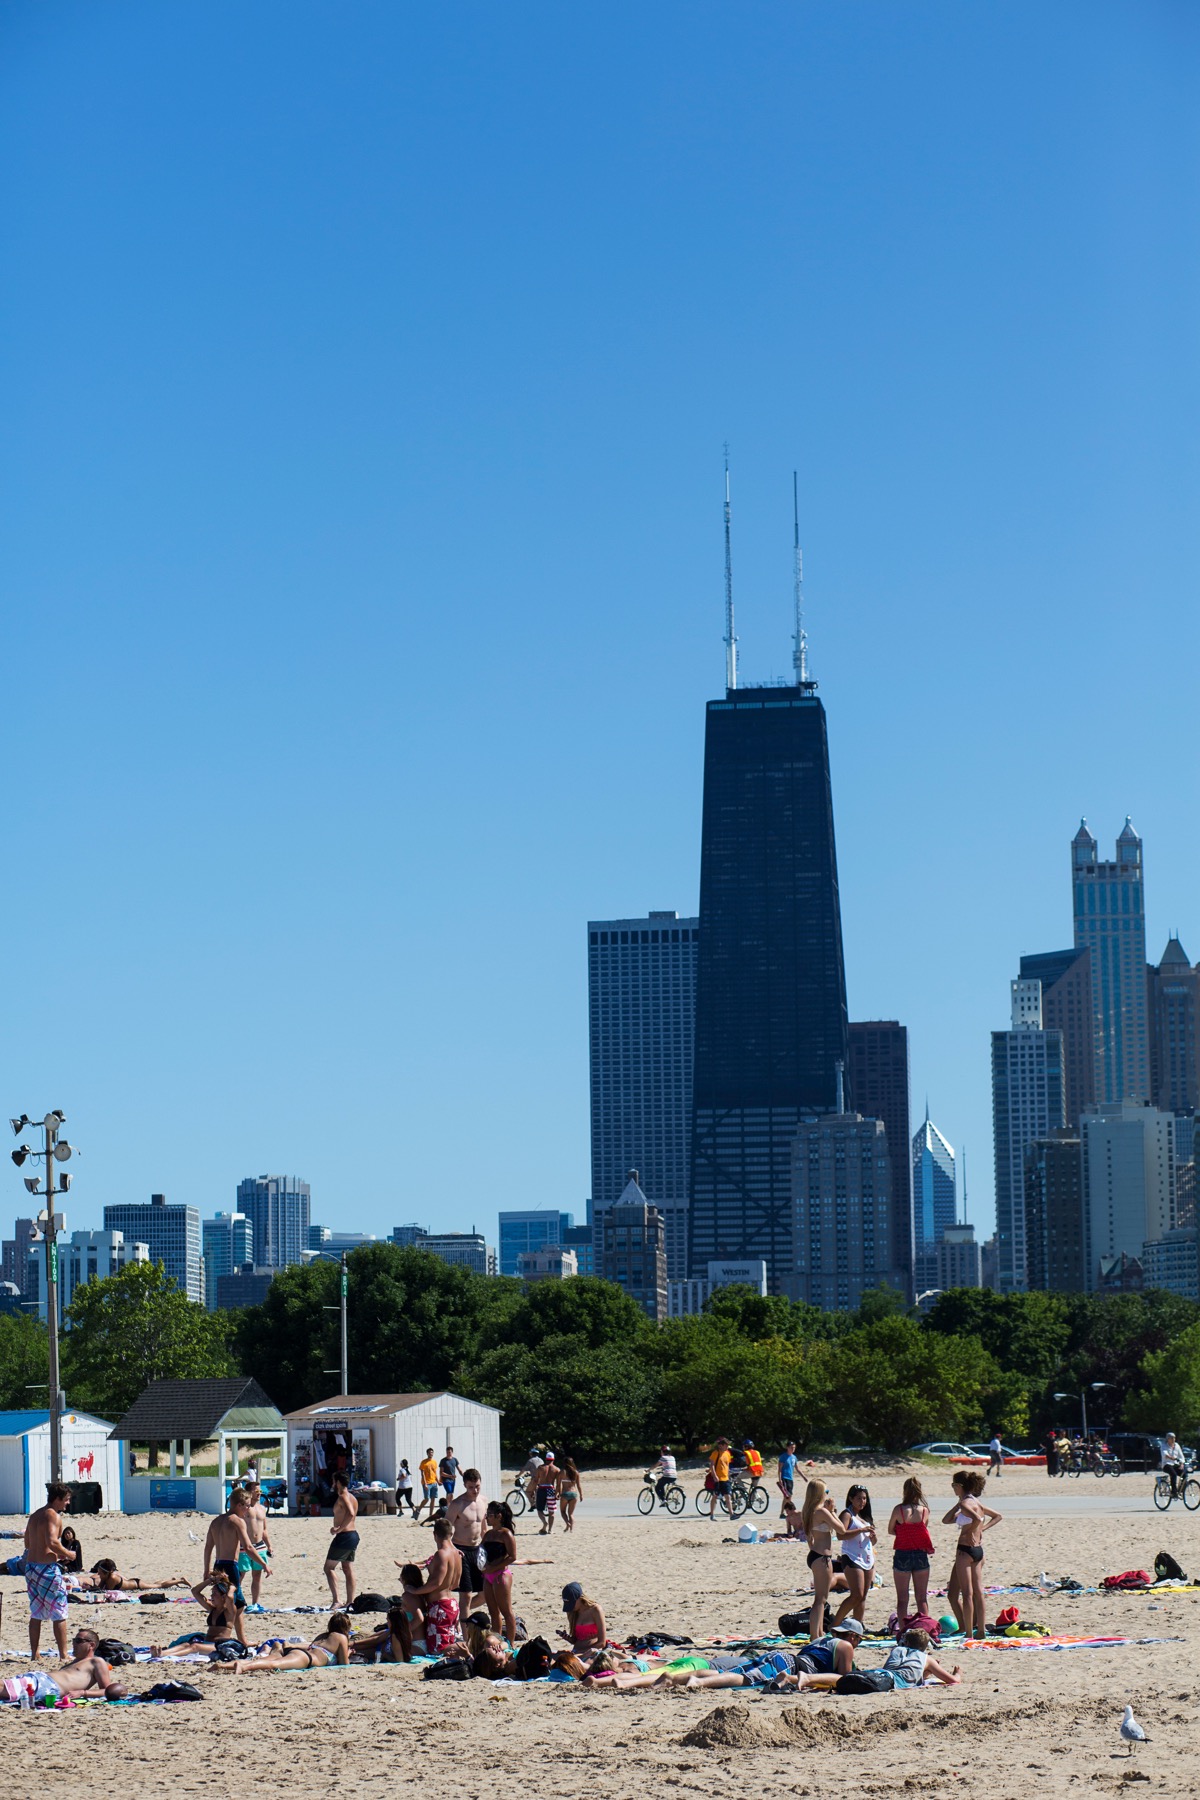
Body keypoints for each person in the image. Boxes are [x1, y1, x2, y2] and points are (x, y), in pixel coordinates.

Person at [943, 1469, 1002, 1638]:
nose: (952, 1488)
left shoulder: (965, 1505)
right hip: (978, 1550)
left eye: (954, 1485)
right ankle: (980, 1630)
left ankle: (969, 1632)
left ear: (960, 1486)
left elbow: (977, 1518)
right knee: (978, 1592)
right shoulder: (974, 1502)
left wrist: (970, 1531)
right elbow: (997, 1516)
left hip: (965, 1550)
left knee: (968, 1594)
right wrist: (980, 1529)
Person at [3, 1627, 130, 1702]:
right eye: (74, 1640)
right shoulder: (73, 1663)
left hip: (44, 1685)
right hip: (38, 1680)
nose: (74, 1643)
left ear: (91, 1645)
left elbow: (107, 1691)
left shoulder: (96, 1662)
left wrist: (83, 1693)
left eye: (79, 1641)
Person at [23, 1481, 77, 1659]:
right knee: (59, 1610)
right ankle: (63, 1654)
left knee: (36, 1611)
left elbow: (28, 1544)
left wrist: (55, 1553)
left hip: (31, 1568)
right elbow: (52, 1542)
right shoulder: (53, 1515)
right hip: (46, 1570)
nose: (67, 1503)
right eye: (66, 1499)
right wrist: (68, 1554)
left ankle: (34, 1653)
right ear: (57, 1499)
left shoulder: (35, 1515)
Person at [153, 1572, 250, 1660]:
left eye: (214, 1594)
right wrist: (211, 1580)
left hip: (218, 1645)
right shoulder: (212, 1609)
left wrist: (232, 1588)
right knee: (186, 1644)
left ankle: (163, 1656)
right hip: (206, 1642)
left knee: (195, 1646)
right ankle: (162, 1653)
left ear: (223, 1597)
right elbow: (195, 1591)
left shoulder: (229, 1611)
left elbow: (230, 1597)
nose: (211, 1596)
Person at [203, 1488, 269, 1610]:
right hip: (230, 1565)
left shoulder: (216, 1521)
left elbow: (208, 1548)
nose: (249, 1509)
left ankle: (224, 1628)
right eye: (248, 1506)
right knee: (237, 1605)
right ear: (240, 1505)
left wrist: (206, 1570)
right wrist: (263, 1564)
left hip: (218, 1565)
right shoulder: (237, 1521)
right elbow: (248, 1547)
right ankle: (238, 1630)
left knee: (222, 1602)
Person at [800, 1477, 848, 1640]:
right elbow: (841, 1529)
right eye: (826, 1492)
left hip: (815, 1554)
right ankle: (815, 1635)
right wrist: (833, 1510)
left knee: (821, 1599)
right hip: (822, 1557)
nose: (828, 1495)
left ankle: (819, 1632)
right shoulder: (821, 1511)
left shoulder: (809, 1510)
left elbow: (809, 1538)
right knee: (820, 1599)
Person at [224, 1613, 354, 1673]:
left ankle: (223, 1666)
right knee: (273, 1664)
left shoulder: (323, 1636)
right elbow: (344, 1664)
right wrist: (347, 1652)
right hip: (306, 1658)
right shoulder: (341, 1638)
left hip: (300, 1653)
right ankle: (244, 1667)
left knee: (269, 1660)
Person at [888, 1476, 935, 1622]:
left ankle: (903, 1630)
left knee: (902, 1599)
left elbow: (890, 1530)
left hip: (902, 1554)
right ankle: (925, 1628)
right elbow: (922, 1530)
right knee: (921, 1598)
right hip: (920, 1554)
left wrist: (902, 1532)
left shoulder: (899, 1510)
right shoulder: (924, 1511)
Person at [414, 1518, 463, 1655]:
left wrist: (416, 1591)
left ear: (435, 1534)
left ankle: (469, 1650)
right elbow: (455, 1584)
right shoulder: (457, 1554)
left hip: (440, 1606)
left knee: (439, 1649)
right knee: (448, 1645)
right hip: (451, 1604)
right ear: (451, 1534)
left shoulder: (442, 1553)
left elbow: (436, 1582)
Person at [831, 1484, 876, 1628]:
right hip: (852, 1557)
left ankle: (857, 1627)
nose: (862, 1502)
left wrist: (872, 1536)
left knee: (863, 1597)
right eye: (859, 1498)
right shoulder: (847, 1514)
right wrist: (861, 1530)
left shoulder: (864, 1516)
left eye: (864, 1499)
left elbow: (873, 1541)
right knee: (856, 1595)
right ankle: (834, 1625)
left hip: (867, 1558)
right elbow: (840, 1534)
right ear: (851, 1498)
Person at [446, 1467, 488, 1613]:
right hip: (460, 1550)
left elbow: (484, 1529)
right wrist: (451, 1549)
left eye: (477, 1487)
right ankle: (465, 1631)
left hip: (478, 1550)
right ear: (465, 1485)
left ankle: (458, 1613)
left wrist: (488, 1549)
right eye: (471, 1487)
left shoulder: (483, 1501)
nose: (475, 1490)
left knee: (484, 1594)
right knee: (466, 1594)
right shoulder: (457, 1504)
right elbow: (445, 1531)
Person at [877, 1626, 962, 1688]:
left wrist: (927, 1672)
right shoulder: (927, 1659)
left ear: (906, 1642)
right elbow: (954, 1681)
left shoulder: (897, 1650)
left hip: (881, 1675)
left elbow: (903, 1672)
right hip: (892, 1682)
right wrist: (957, 1674)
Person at [324, 1472, 360, 1606]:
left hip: (344, 1536)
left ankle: (337, 1600)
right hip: (353, 1535)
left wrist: (338, 1529)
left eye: (334, 1481)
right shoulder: (352, 1497)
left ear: (338, 1482)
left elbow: (350, 1513)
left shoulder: (343, 1496)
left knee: (328, 1568)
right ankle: (350, 1601)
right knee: (347, 1567)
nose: (332, 1484)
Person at [243, 1483, 273, 1610]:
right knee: (240, 1574)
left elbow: (264, 1530)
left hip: (260, 1546)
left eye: (260, 1490)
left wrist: (269, 1545)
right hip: (244, 1546)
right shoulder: (244, 1508)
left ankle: (255, 1603)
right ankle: (234, 1601)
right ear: (249, 1492)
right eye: (256, 1491)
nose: (259, 1493)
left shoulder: (261, 1508)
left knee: (257, 1576)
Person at [79, 1558, 189, 1593]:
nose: (98, 1574)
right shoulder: (108, 1577)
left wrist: (93, 1588)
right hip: (133, 1582)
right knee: (154, 1584)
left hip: (137, 1584)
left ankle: (180, 1580)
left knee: (159, 1586)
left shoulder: (112, 1578)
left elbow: (106, 1590)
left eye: (100, 1572)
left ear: (106, 1573)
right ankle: (172, 1579)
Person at [559, 1581, 607, 1654]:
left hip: (592, 1653)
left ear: (580, 1598)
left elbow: (602, 1643)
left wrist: (582, 1652)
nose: (571, 1607)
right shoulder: (571, 1612)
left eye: (572, 1603)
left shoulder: (595, 1610)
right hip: (576, 1651)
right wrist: (568, 1638)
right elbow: (576, 1640)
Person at [534, 1451, 561, 1533]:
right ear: (553, 1459)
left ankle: (544, 1523)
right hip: (550, 1489)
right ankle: (550, 1529)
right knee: (551, 1511)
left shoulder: (540, 1468)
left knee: (539, 1509)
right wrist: (557, 1493)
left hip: (541, 1488)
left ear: (546, 1459)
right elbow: (558, 1484)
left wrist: (534, 1490)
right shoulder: (557, 1469)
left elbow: (536, 1480)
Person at [706, 1438, 733, 1520]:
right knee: (715, 1496)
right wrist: (714, 1476)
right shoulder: (716, 1453)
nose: (727, 1447)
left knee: (728, 1496)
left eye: (727, 1445)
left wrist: (729, 1475)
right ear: (720, 1445)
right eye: (726, 1445)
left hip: (725, 1478)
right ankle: (712, 1514)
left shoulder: (727, 1454)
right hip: (718, 1479)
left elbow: (727, 1466)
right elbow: (712, 1465)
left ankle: (732, 1515)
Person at [415, 1447, 440, 1522]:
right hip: (427, 1483)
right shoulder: (424, 1462)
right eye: (429, 1452)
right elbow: (422, 1473)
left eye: (432, 1452)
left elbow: (435, 1472)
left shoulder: (434, 1462)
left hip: (434, 1483)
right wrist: (425, 1483)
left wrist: (438, 1481)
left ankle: (430, 1515)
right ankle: (418, 1509)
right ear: (427, 1453)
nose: (431, 1454)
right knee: (426, 1499)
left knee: (433, 1499)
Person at [560, 1458, 583, 1531]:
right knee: (571, 1514)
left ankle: (567, 1523)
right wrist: (581, 1495)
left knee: (563, 1511)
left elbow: (558, 1484)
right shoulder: (576, 1472)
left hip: (565, 1493)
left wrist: (557, 1493)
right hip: (573, 1494)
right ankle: (571, 1529)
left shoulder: (562, 1472)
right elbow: (579, 1485)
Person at [1162, 1433, 1187, 1498]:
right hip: (1166, 1464)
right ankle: (1174, 1492)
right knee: (1173, 1474)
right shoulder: (1164, 1445)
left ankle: (1181, 1490)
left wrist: (1182, 1463)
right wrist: (1171, 1457)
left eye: (1174, 1438)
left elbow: (1181, 1456)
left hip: (1175, 1464)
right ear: (1168, 1439)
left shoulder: (1177, 1445)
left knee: (1184, 1475)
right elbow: (1164, 1454)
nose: (1173, 1439)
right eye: (1172, 1438)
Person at [777, 1441, 798, 1509]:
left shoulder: (794, 1457)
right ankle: (783, 1512)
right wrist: (780, 1480)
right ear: (787, 1448)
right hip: (784, 1477)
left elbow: (797, 1468)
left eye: (794, 1447)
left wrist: (804, 1477)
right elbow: (779, 1470)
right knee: (787, 1496)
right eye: (791, 1447)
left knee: (790, 1496)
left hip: (790, 1478)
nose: (793, 1449)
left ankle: (789, 1511)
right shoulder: (783, 1457)